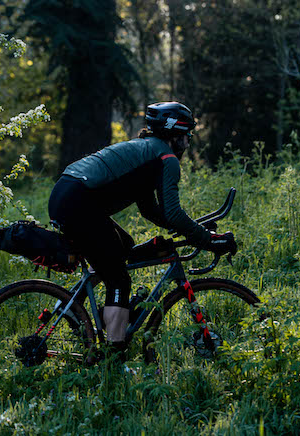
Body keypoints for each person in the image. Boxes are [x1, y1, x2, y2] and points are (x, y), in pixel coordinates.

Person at [48, 101, 237, 357]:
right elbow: (172, 212)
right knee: (118, 278)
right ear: (176, 134)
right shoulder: (166, 158)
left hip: (66, 194)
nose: (189, 142)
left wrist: (195, 229)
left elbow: (151, 211)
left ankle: (72, 306)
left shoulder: (147, 151)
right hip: (78, 202)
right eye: (187, 135)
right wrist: (205, 239)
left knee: (123, 247)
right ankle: (114, 354)